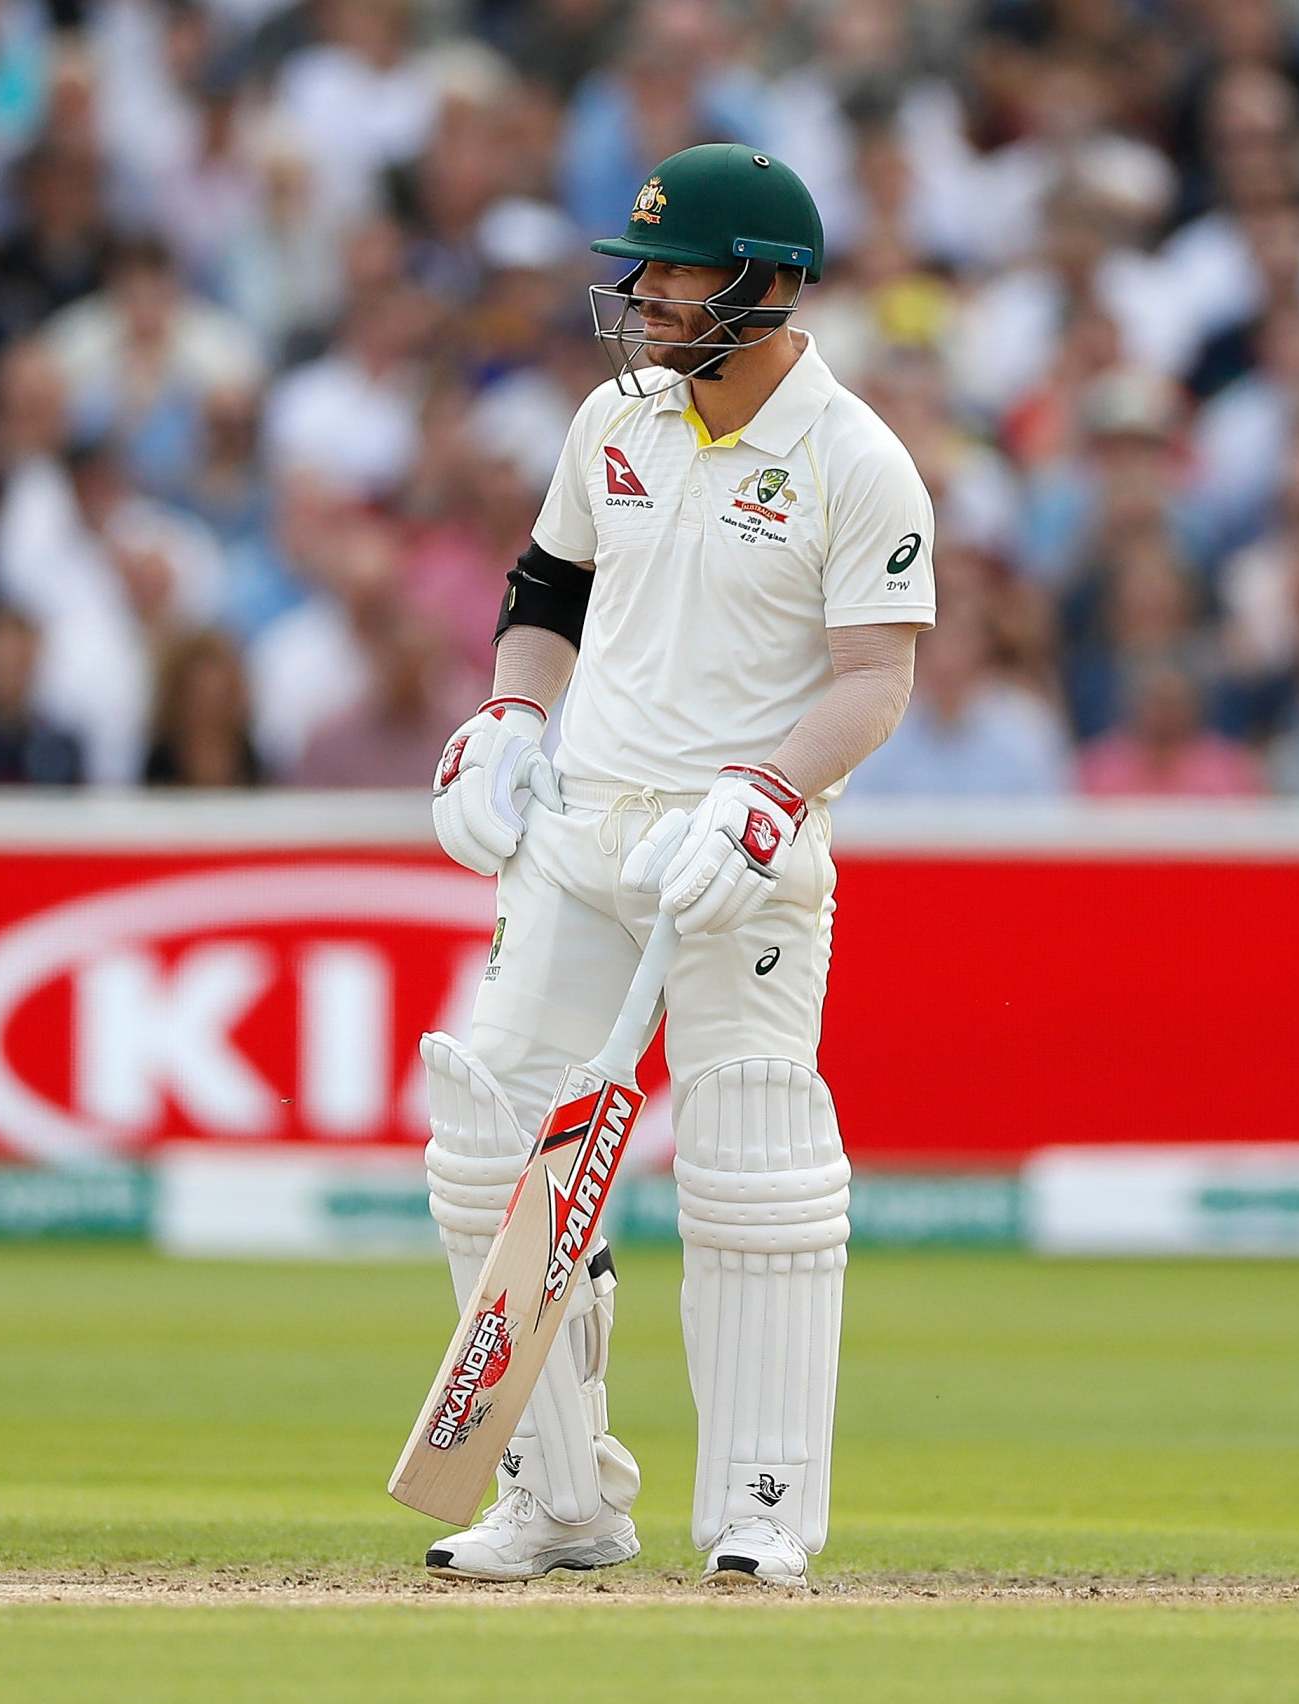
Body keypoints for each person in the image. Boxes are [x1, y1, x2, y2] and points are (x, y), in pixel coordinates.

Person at [419, 146, 934, 1588]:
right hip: (582, 836)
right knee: (487, 1147)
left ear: (766, 287)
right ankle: (558, 1497)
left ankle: (763, 1510)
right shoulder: (612, 422)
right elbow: (546, 588)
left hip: (738, 860)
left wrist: (768, 791)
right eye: (638, 268)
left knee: (751, 1167)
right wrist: (514, 713)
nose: (641, 296)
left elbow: (872, 677)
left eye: (676, 271)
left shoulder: (855, 460)